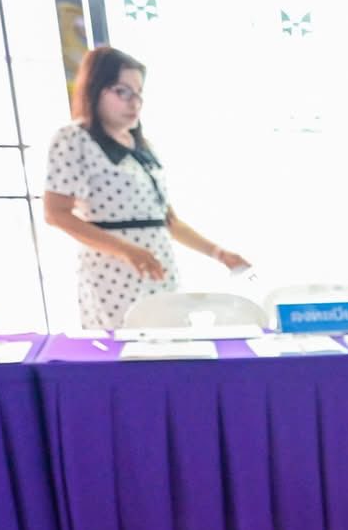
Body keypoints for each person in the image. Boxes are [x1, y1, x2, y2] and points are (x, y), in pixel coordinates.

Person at [44, 46, 249, 329]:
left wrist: (218, 253)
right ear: (95, 89)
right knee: (124, 346)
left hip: (159, 266)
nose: (134, 103)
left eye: (138, 94)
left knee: (171, 344)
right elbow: (56, 214)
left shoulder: (141, 146)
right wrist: (127, 250)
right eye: (123, 92)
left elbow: (167, 220)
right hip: (112, 273)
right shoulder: (73, 138)